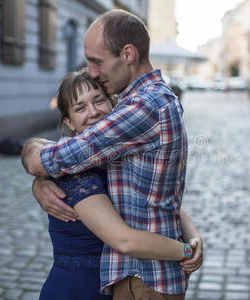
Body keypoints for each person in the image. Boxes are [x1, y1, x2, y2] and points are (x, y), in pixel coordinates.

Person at [21, 9, 202, 300]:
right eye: (80, 107)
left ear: (128, 54)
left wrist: (35, 162)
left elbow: (50, 159)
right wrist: (41, 182)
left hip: (144, 278)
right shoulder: (145, 102)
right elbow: (152, 197)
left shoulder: (142, 107)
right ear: (67, 120)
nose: (92, 71)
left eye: (96, 61)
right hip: (126, 280)